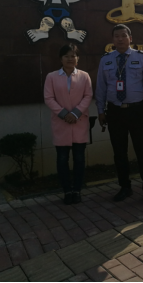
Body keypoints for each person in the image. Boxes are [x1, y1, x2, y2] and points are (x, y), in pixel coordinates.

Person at [95, 24, 143, 205]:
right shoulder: (106, 60)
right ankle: (125, 187)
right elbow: (100, 87)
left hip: (136, 110)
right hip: (114, 111)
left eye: (124, 35)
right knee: (119, 152)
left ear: (130, 38)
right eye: (116, 36)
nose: (120, 39)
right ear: (112, 39)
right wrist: (100, 110)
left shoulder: (141, 57)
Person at [44, 44, 93, 205]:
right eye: (66, 56)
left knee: (79, 159)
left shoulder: (84, 76)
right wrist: (64, 114)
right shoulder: (51, 77)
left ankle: (77, 190)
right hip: (61, 123)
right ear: (61, 59)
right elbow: (48, 98)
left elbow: (88, 96)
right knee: (62, 159)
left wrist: (76, 113)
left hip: (79, 122)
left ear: (78, 59)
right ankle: (67, 191)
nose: (70, 59)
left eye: (73, 56)